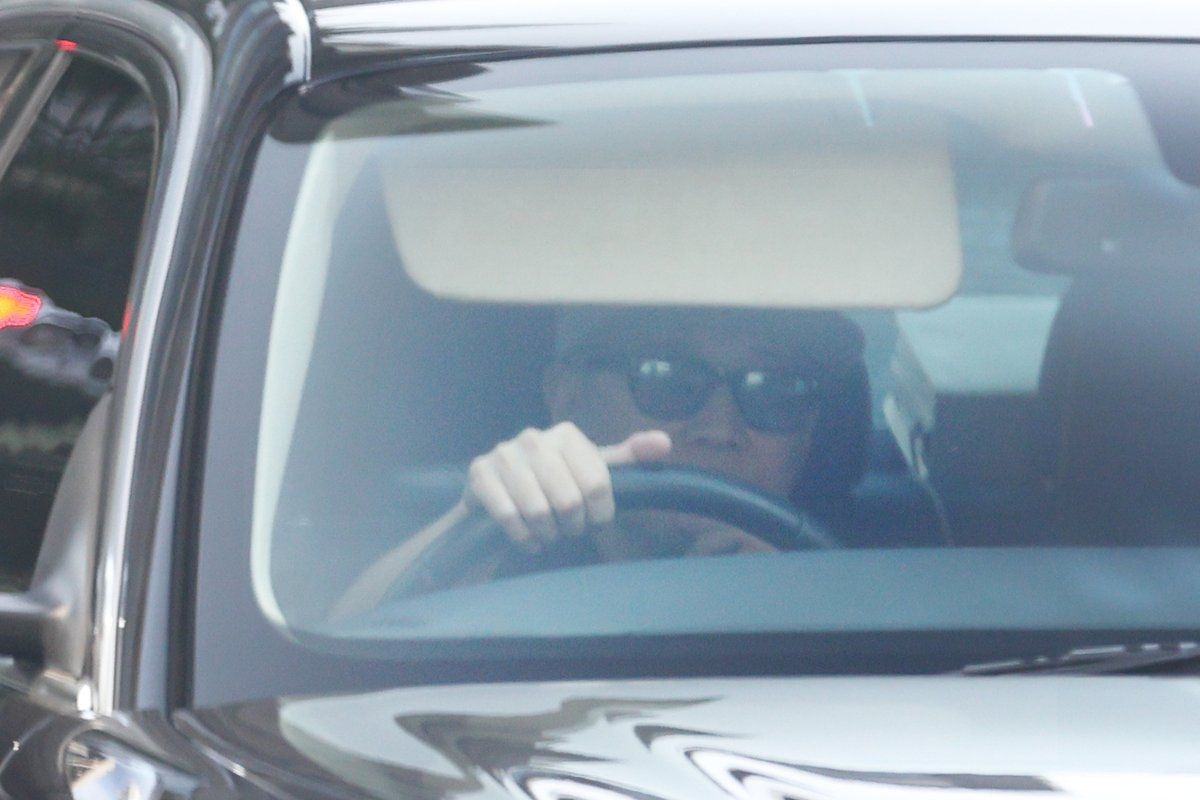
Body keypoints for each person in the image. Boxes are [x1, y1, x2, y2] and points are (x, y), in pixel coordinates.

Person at [331, 306, 864, 617]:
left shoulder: (875, 591)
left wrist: (796, 607)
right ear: (566, 394)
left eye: (777, 391)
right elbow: (337, 662)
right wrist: (474, 524)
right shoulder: (497, 566)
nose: (720, 429)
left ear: (810, 430)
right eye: (668, 378)